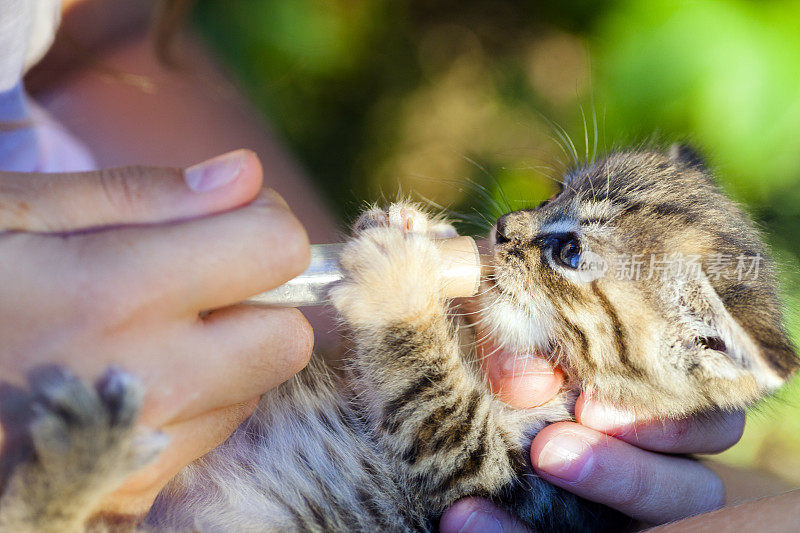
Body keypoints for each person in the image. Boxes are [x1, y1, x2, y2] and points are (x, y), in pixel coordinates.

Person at [1, 0, 786, 529]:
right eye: (554, 200)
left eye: (567, 247)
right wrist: (401, 309)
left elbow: (464, 474)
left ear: (703, 348)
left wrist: (399, 317)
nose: (515, 226)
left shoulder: (595, 451)